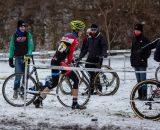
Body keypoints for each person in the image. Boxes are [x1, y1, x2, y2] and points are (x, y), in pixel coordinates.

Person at [33, 20, 86, 109]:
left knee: (54, 83)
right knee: (76, 80)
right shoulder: (73, 39)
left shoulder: (67, 36)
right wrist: (70, 62)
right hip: (61, 62)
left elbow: (63, 51)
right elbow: (70, 54)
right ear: (76, 30)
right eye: (81, 30)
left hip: (54, 60)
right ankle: (74, 103)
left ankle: (38, 100)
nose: (82, 32)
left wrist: (70, 61)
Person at [76, 24, 107, 94]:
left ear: (97, 30)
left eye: (95, 30)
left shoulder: (100, 37)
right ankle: (92, 89)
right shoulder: (89, 38)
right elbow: (85, 49)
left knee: (95, 74)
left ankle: (97, 89)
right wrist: (80, 57)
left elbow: (104, 46)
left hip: (98, 58)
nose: (93, 31)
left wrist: (104, 54)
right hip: (90, 57)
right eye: (92, 30)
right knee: (90, 73)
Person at [9, 19, 33, 99]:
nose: (23, 28)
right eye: (21, 26)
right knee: (18, 76)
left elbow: (30, 46)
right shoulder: (14, 35)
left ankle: (23, 91)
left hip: (26, 58)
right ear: (18, 27)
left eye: (24, 26)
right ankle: (16, 90)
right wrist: (10, 58)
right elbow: (12, 47)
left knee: (25, 76)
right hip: (18, 58)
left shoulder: (28, 35)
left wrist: (29, 55)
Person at [130, 23, 151, 100]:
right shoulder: (134, 39)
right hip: (135, 63)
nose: (136, 32)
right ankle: (140, 95)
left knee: (143, 80)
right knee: (138, 80)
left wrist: (144, 58)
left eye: (138, 30)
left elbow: (148, 50)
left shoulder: (145, 39)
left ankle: (144, 95)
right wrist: (131, 60)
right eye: (135, 30)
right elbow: (132, 51)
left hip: (142, 63)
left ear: (141, 31)